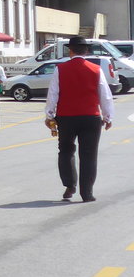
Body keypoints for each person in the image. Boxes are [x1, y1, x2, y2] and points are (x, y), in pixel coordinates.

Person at [45, 36, 114, 202]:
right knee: (89, 155)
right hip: (90, 117)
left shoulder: (60, 69)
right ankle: (87, 193)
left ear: (70, 51)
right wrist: (108, 116)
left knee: (66, 151)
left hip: (66, 118)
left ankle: (70, 185)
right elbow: (105, 95)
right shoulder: (96, 69)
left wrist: (49, 115)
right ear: (86, 51)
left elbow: (53, 94)